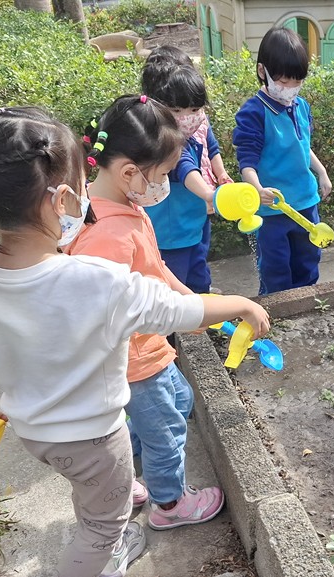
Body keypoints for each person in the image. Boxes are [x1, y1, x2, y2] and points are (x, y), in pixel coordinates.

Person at [0, 107, 270, 577]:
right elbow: (177, 311)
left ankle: (111, 496)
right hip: (93, 437)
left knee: (92, 488)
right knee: (100, 528)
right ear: (62, 199)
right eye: (81, 186)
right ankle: (107, 556)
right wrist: (241, 305)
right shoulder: (94, 280)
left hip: (37, 433)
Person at [67, 93, 228, 531]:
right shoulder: (109, 236)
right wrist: (185, 313)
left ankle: (132, 467)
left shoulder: (119, 204)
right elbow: (116, 311)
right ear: (129, 172)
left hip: (148, 349)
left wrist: (194, 304)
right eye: (163, 175)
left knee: (179, 402)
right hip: (136, 358)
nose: (164, 184)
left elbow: (154, 269)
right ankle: (170, 504)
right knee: (167, 432)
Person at [232, 26, 333, 295]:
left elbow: (303, 146)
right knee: (275, 270)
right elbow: (247, 161)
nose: (290, 89)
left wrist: (321, 171)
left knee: (308, 263)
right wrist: (257, 189)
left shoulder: (301, 106)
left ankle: (305, 304)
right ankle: (276, 312)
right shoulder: (253, 112)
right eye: (284, 81)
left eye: (297, 82)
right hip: (272, 209)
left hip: (306, 202)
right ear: (262, 71)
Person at [141, 48, 234, 293]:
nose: (188, 117)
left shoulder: (197, 125)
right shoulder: (161, 140)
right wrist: (209, 194)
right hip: (172, 230)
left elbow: (212, 148)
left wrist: (221, 174)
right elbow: (185, 167)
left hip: (195, 218)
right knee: (174, 283)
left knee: (199, 267)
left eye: (194, 110)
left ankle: (202, 296)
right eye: (177, 111)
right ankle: (184, 310)